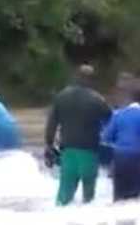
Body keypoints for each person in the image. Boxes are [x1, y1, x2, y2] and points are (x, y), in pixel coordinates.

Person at [45, 65, 113, 206]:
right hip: (89, 151)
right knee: (88, 197)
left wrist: (49, 145)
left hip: (68, 151)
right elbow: (111, 122)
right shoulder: (97, 100)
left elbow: (51, 124)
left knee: (64, 196)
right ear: (91, 80)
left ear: (76, 77)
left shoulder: (61, 96)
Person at [102, 90, 140, 201]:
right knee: (134, 197)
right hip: (137, 157)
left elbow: (106, 136)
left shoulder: (119, 114)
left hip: (119, 156)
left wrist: (116, 142)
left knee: (119, 196)